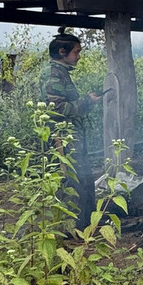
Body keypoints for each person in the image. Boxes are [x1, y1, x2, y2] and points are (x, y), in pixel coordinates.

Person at [44, 28, 102, 229]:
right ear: (62, 52)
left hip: (72, 138)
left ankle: (86, 225)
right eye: (76, 52)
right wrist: (87, 101)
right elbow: (57, 109)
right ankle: (72, 230)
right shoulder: (53, 74)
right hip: (63, 140)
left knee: (84, 179)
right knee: (72, 182)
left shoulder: (61, 73)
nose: (78, 56)